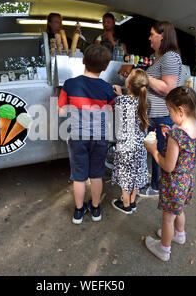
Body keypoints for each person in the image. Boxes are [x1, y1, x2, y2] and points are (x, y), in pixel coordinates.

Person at [143, 86, 196, 262]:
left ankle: (163, 248)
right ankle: (180, 234)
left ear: (180, 110)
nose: (169, 114)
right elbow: (187, 149)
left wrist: (153, 150)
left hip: (173, 183)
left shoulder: (176, 135)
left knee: (167, 218)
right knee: (179, 209)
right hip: (186, 180)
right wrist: (169, 133)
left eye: (169, 110)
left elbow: (168, 166)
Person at [58, 44, 115, 224]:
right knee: (97, 174)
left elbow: (60, 112)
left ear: (83, 61)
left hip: (77, 137)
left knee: (79, 175)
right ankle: (96, 209)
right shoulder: (107, 88)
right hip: (100, 137)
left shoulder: (70, 84)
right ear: (105, 67)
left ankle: (78, 211)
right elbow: (110, 112)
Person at [139, 21, 182, 197]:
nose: (149, 38)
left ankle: (158, 188)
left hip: (163, 115)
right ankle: (157, 184)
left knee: (161, 154)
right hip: (155, 115)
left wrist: (143, 76)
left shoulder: (170, 56)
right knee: (156, 151)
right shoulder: (160, 57)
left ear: (162, 35)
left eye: (152, 34)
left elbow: (168, 88)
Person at [110, 69, 150, 214]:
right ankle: (132, 202)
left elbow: (119, 110)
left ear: (128, 84)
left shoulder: (121, 100)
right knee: (136, 174)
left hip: (126, 147)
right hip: (140, 146)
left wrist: (119, 94)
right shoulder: (144, 101)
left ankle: (126, 205)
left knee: (126, 175)